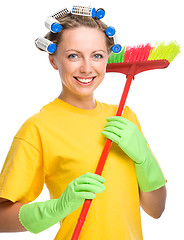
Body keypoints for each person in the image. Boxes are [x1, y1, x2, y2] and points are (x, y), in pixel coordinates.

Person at [0, 6, 166, 240]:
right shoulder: (38, 128)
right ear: (53, 60)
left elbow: (156, 210)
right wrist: (57, 208)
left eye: (97, 55)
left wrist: (145, 160)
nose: (87, 68)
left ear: (108, 57)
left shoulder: (124, 117)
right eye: (73, 55)